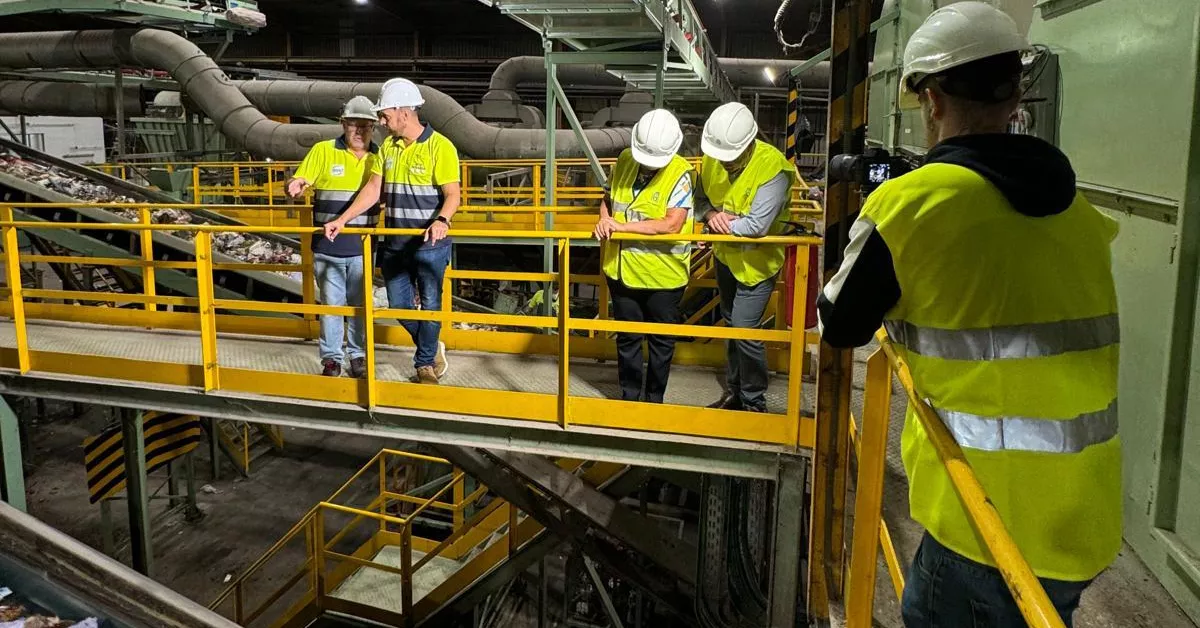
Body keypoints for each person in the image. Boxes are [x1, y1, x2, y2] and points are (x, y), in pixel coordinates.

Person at [817, 3, 1121, 626]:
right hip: (1083, 519)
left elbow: (840, 323)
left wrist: (865, 230)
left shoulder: (911, 204)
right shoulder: (1077, 211)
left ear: (931, 101)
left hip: (980, 521)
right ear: (1015, 95)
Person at [325, 78, 460, 385]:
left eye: (384, 115)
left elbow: (453, 194)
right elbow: (374, 189)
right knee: (399, 306)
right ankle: (430, 345)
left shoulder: (441, 147)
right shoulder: (388, 147)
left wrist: (442, 221)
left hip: (429, 245)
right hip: (396, 243)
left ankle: (424, 364)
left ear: (403, 112)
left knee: (430, 305)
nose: (381, 122)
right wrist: (343, 219)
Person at [697, 101, 797, 413]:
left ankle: (754, 402)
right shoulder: (715, 156)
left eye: (732, 158)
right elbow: (702, 199)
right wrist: (711, 214)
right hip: (726, 258)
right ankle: (735, 392)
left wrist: (717, 227)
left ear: (750, 143)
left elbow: (757, 225)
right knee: (731, 325)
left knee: (744, 328)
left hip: (757, 264)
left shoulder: (773, 168)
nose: (724, 163)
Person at [593, 109, 694, 404]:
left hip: (663, 277)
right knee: (627, 339)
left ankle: (653, 400)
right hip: (621, 271)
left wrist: (620, 226)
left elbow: (672, 223)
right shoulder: (625, 160)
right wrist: (603, 219)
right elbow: (608, 198)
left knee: (661, 343)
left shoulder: (681, 174)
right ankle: (630, 396)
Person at [285, 95, 381, 378]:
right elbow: (301, 180)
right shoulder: (323, 151)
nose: (360, 131)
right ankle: (331, 358)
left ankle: (359, 355)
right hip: (328, 246)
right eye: (354, 125)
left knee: (361, 305)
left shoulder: (380, 157)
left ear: (374, 128)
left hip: (363, 247)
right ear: (342, 124)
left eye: (366, 126)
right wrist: (296, 184)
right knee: (330, 306)